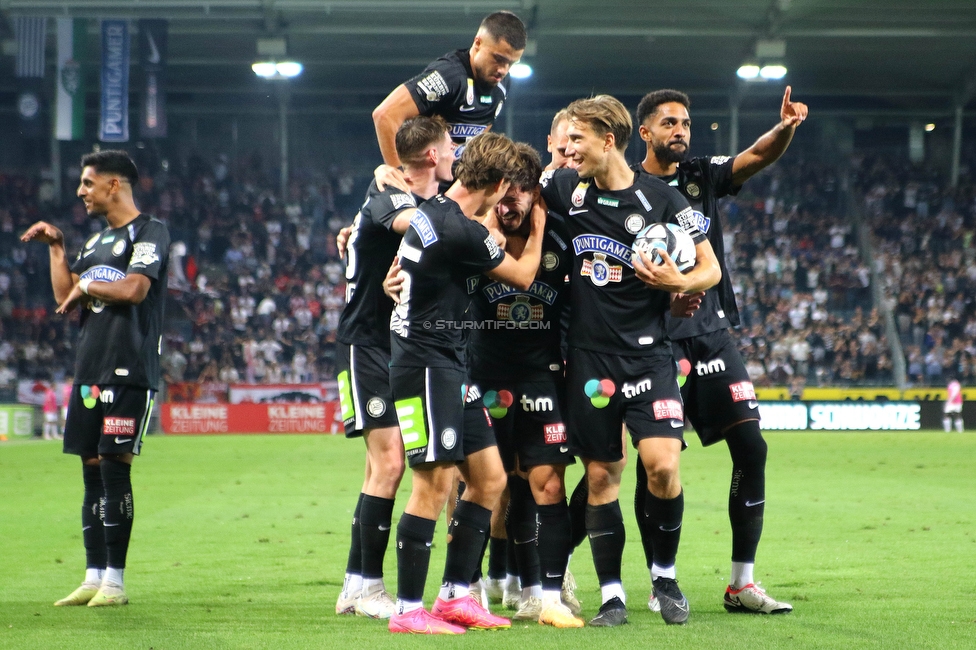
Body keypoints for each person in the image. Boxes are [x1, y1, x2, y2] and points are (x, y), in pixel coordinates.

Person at [539, 95, 721, 626]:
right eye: (565, 140)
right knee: (601, 478)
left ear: (608, 140)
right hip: (590, 362)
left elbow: (708, 268)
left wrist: (681, 282)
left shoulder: (663, 200)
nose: (567, 149)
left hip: (649, 358)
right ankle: (612, 595)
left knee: (663, 465)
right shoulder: (563, 191)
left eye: (577, 140)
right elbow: (499, 191)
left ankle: (664, 577)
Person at [632, 87, 807, 615]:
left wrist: (784, 129)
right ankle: (658, 578)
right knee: (651, 465)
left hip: (710, 333)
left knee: (752, 448)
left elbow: (755, 157)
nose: (680, 131)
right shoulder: (627, 188)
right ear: (645, 132)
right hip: (652, 340)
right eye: (669, 124)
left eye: (685, 123)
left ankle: (741, 584)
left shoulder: (702, 175)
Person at [385, 132, 544, 634]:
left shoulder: (435, 211)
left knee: (490, 479)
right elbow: (521, 276)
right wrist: (536, 229)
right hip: (424, 365)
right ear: (498, 184)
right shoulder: (461, 229)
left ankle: (455, 595)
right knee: (433, 482)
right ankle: (409, 610)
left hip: (451, 365)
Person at [21, 149, 170, 608]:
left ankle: (116, 583)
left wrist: (87, 285)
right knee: (89, 471)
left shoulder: (150, 233)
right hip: (89, 370)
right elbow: (66, 295)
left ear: (113, 185)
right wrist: (59, 250)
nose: (81, 191)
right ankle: (93, 575)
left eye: (87, 183)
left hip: (128, 369)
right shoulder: (93, 244)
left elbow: (133, 289)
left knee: (113, 467)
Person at [334, 115, 456, 619]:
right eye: (450, 147)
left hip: (391, 346)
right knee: (388, 464)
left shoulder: (403, 193)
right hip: (368, 345)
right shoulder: (390, 196)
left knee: (378, 466)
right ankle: (365, 588)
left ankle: (355, 584)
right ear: (431, 155)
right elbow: (421, 226)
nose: (455, 155)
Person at [467, 144, 582, 627]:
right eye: (501, 192)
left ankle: (545, 594)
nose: (508, 203)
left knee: (547, 484)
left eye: (519, 192)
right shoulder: (468, 236)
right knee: (480, 488)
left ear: (537, 194)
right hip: (481, 377)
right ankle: (466, 587)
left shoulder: (563, 237)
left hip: (542, 378)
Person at [372, 11, 526, 167]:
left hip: (456, 182)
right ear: (478, 43)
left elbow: (482, 125)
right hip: (426, 182)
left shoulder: (502, 83)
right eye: (498, 59)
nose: (503, 70)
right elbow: (385, 115)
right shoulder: (449, 76)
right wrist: (400, 179)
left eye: (511, 63)